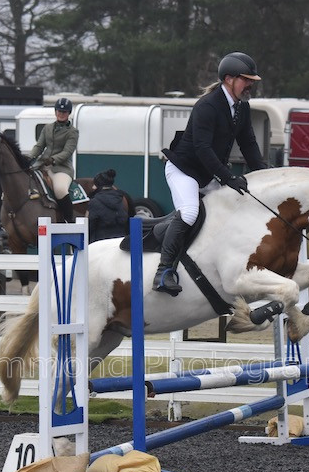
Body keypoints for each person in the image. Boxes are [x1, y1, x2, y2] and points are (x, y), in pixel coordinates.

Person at [152, 51, 268, 295]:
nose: (250, 85)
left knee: (230, 211)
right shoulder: (208, 106)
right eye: (246, 80)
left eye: (251, 81)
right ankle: (163, 272)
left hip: (206, 174)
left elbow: (248, 144)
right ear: (229, 79)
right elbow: (202, 148)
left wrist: (264, 175)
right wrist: (227, 177)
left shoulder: (241, 107)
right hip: (184, 170)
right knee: (191, 212)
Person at [29, 97, 79, 221]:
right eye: (59, 111)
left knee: (60, 190)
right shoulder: (47, 128)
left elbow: (67, 152)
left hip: (61, 168)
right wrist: (30, 157)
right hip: (42, 165)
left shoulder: (72, 132)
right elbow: (39, 146)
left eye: (64, 112)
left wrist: (53, 159)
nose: (61, 114)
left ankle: (68, 219)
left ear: (68, 113)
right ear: (55, 111)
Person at [87, 169, 128, 242]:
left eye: (94, 185)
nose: (93, 187)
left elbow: (90, 226)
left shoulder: (94, 202)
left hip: (100, 243)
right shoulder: (120, 199)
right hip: (120, 242)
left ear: (98, 186)